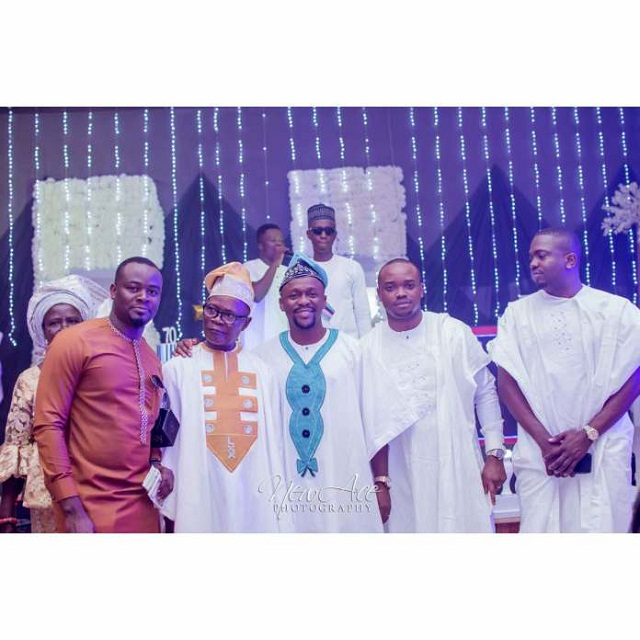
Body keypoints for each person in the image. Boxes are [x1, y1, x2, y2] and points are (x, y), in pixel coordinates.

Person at [487, 228, 640, 533]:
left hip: (604, 443)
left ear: (570, 260)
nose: (533, 263)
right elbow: (507, 384)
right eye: (531, 256)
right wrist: (546, 443)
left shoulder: (616, 310)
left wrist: (588, 434)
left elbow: (634, 377)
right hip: (542, 451)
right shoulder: (517, 314)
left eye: (541, 255)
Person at [252, 253, 416, 533]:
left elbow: (377, 422)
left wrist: (381, 482)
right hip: (285, 489)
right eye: (294, 295)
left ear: (324, 300)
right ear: (281, 303)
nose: (303, 301)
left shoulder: (353, 352)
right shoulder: (262, 359)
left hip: (348, 486)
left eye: (311, 294)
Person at [360, 258, 506, 532]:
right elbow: (369, 422)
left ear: (422, 289)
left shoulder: (452, 332)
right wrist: (379, 482)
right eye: (391, 287)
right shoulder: (366, 349)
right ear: (379, 294)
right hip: (400, 473)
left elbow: (485, 392)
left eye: (409, 285)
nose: (401, 293)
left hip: (457, 463)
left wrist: (494, 454)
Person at [33, 257, 174, 533]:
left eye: (153, 291)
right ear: (113, 291)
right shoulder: (73, 342)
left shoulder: (151, 357)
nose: (143, 297)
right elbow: (48, 425)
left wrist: (157, 462)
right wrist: (70, 506)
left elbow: (149, 423)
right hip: (88, 504)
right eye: (133, 288)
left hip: (142, 504)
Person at [159, 262, 287, 532]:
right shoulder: (178, 368)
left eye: (229, 315)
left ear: (246, 323)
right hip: (198, 485)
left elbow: (275, 444)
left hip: (254, 487)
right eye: (212, 310)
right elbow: (167, 441)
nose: (217, 319)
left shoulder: (264, 373)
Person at [0, 275, 107, 533]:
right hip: (48, 497)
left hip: (99, 488)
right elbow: (17, 447)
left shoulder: (101, 374)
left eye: (72, 321)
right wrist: (6, 517)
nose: (63, 328)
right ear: (42, 330)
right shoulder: (29, 380)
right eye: (54, 322)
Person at [305, 203, 372, 339]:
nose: (323, 235)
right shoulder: (303, 269)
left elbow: (362, 313)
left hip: (349, 342)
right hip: (314, 343)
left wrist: (365, 345)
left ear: (335, 234)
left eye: (328, 231)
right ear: (309, 234)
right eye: (318, 231)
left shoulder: (352, 267)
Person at [241, 223, 290, 350]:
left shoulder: (288, 271)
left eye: (281, 241)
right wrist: (276, 263)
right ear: (261, 246)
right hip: (255, 339)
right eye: (273, 241)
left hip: (281, 337)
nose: (278, 244)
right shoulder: (248, 267)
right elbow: (257, 295)